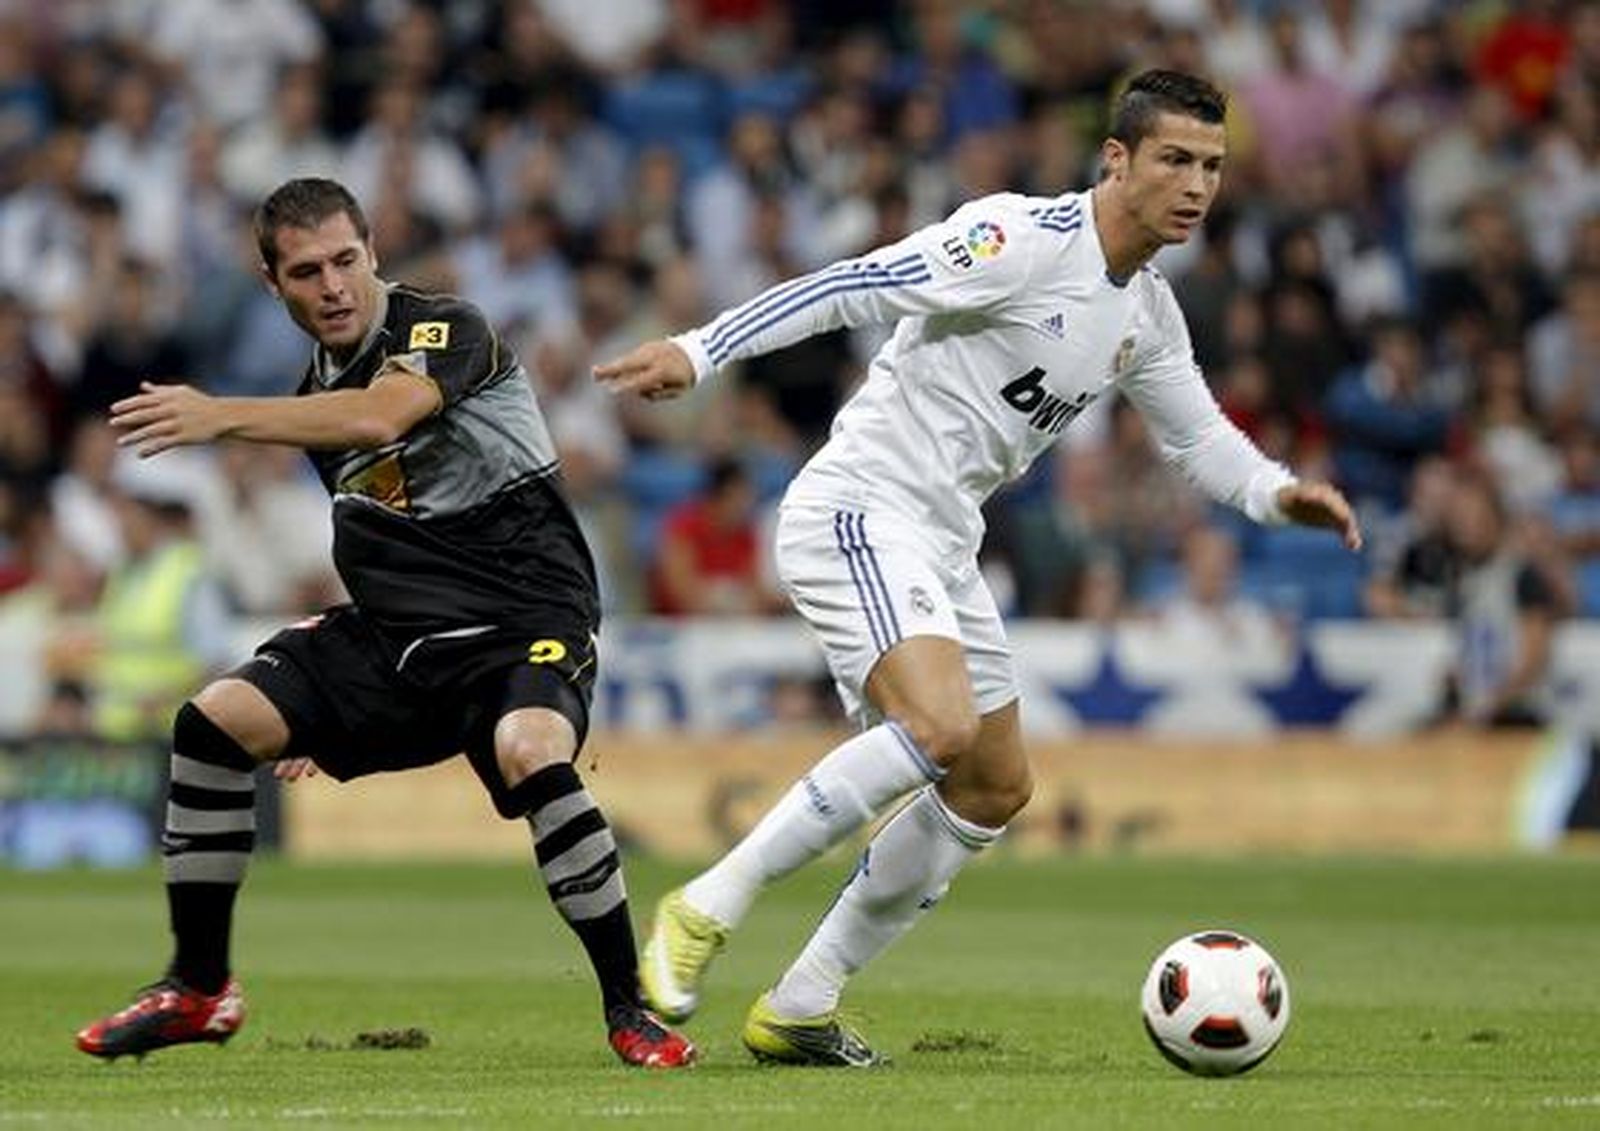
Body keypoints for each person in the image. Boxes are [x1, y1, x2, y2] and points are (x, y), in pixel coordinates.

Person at [595, 69, 1361, 1067]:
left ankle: (801, 1002)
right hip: (859, 508)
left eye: (1211, 166)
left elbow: (1197, 439)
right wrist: (700, 350)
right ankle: (706, 903)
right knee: (940, 725)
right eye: (1173, 159)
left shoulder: (1145, 313)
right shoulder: (1018, 240)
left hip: (940, 537)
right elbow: (853, 286)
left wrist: (1274, 494)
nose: (1195, 185)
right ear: (1116, 158)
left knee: (993, 784)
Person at [75, 178, 694, 1068]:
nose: (331, 286)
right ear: (272, 283)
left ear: (373, 254)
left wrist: (218, 416)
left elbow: (378, 414)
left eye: (344, 261)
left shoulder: (444, 331)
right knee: (214, 722)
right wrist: (321, 701)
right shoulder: (312, 399)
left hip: (525, 617)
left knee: (529, 748)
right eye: (305, 271)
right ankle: (199, 986)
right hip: (402, 637)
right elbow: (392, 534)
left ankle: (629, 1010)